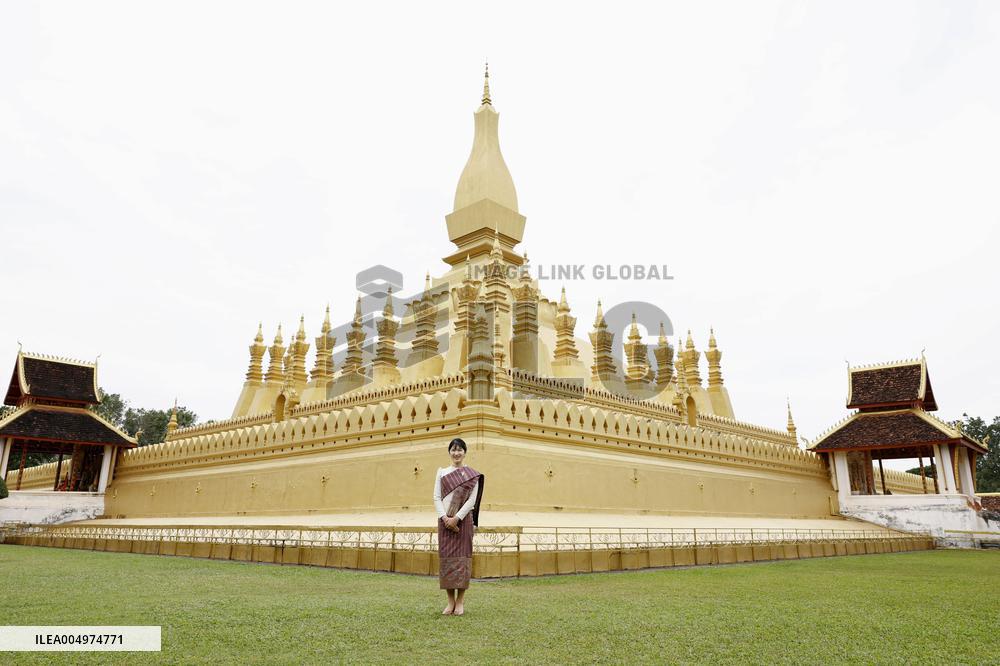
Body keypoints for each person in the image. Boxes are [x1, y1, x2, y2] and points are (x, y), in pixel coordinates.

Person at [433, 437, 484, 616]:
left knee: (463, 561)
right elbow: (436, 497)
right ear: (449, 452)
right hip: (444, 522)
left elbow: (472, 501)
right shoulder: (441, 472)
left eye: (460, 449)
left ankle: (460, 602)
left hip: (463, 523)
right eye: (453, 449)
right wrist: (445, 518)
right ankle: (450, 602)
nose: (456, 453)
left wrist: (456, 518)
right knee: (447, 560)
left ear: (465, 452)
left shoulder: (472, 475)